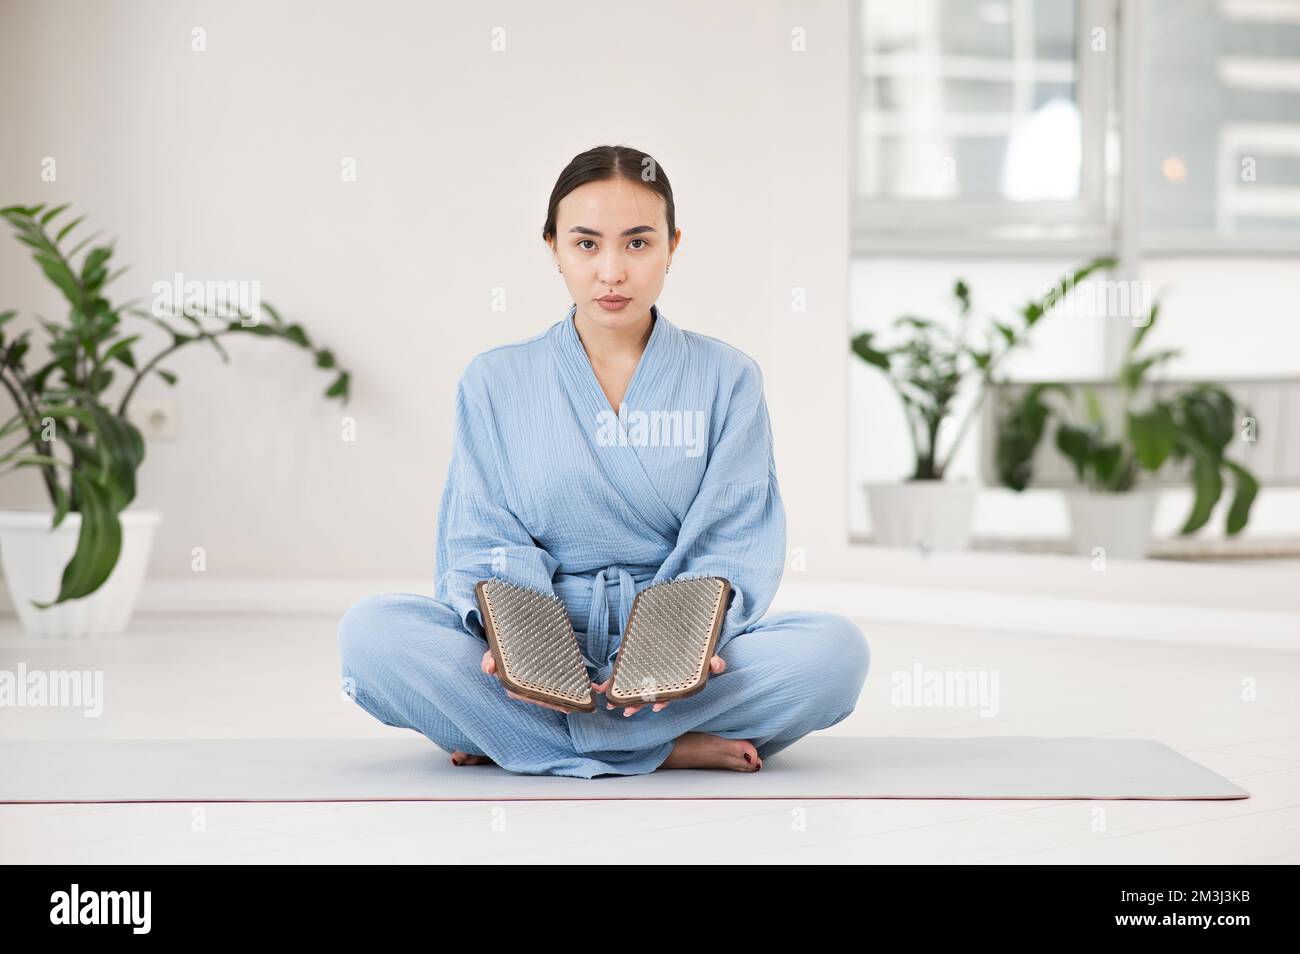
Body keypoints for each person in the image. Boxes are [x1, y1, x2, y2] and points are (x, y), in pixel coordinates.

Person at [338, 144, 869, 778]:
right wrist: (522, 646)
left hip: (681, 653)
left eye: (638, 244)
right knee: (373, 635)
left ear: (673, 245)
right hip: (534, 642)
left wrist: (678, 649)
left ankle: (520, 742)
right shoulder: (494, 380)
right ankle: (661, 748)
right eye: (587, 245)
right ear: (553, 248)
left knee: (835, 654)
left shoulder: (728, 379)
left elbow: (734, 536)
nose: (612, 271)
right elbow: (480, 535)